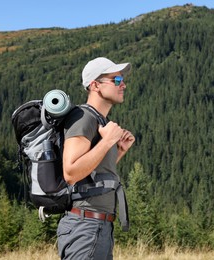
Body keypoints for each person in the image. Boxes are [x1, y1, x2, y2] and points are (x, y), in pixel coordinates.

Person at [57, 57, 135, 260]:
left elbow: (91, 175)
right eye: (116, 80)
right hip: (85, 226)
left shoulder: (100, 121)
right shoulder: (83, 118)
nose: (123, 84)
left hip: (99, 226)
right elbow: (71, 173)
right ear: (95, 85)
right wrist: (107, 141)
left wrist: (118, 151)